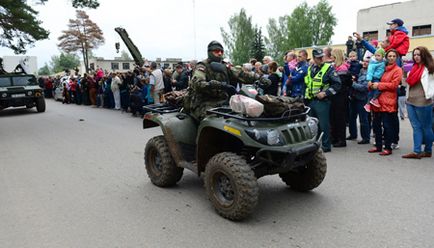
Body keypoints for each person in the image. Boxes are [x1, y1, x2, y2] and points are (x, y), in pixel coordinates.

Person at [183, 40, 266, 121]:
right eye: (216, 51)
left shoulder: (224, 66)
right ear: (210, 52)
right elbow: (197, 83)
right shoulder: (202, 66)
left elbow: (240, 74)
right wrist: (211, 84)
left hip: (223, 101)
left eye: (221, 52)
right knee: (213, 121)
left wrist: (258, 77)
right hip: (205, 102)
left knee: (244, 115)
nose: (219, 53)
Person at [304, 48, 342, 152]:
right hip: (311, 100)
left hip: (323, 101)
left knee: (324, 124)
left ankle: (326, 146)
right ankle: (314, 145)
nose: (321, 59)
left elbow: (337, 85)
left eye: (322, 57)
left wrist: (325, 93)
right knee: (312, 125)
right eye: (318, 57)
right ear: (314, 58)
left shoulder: (329, 68)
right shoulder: (310, 68)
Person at [368, 49, 403, 156]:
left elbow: (394, 85)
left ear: (396, 58)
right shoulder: (383, 68)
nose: (391, 58)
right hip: (377, 101)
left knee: (387, 126)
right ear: (386, 57)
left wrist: (379, 85)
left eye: (393, 56)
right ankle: (378, 146)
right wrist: (370, 84)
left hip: (388, 100)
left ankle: (388, 147)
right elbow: (374, 77)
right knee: (376, 125)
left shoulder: (398, 70)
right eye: (389, 56)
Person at [402, 46, 434, 159]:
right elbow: (406, 84)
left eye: (418, 54)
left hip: (424, 101)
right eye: (414, 54)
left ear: (424, 55)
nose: (416, 57)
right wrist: (404, 74)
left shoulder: (430, 69)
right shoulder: (412, 68)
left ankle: (428, 150)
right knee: (416, 127)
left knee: (426, 127)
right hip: (410, 101)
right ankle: (416, 151)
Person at [330, 48, 351, 148]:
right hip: (335, 96)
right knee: (334, 118)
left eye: (332, 56)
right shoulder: (334, 67)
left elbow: (341, 84)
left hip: (341, 96)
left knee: (340, 119)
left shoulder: (343, 68)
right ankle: (335, 138)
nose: (331, 57)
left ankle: (341, 140)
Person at [348, 57, 370, 144]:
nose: (365, 63)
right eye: (364, 61)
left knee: (363, 119)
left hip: (362, 98)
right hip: (354, 97)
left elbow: (363, 88)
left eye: (367, 62)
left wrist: (352, 83)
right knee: (351, 117)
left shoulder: (369, 73)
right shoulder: (359, 70)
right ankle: (353, 134)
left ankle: (366, 138)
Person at [364, 48, 386, 112]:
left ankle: (368, 104)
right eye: (376, 55)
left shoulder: (382, 62)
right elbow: (370, 72)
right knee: (379, 89)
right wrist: (369, 80)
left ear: (383, 56)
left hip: (378, 77)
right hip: (375, 78)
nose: (376, 57)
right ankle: (374, 99)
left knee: (371, 92)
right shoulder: (373, 63)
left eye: (378, 56)